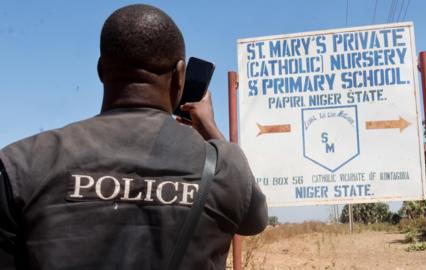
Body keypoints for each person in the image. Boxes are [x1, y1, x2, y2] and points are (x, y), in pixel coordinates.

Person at [0, 4, 268, 270]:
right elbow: (255, 219)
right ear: (180, 76)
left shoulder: (22, 163)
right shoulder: (222, 165)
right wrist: (209, 127)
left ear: (101, 70)